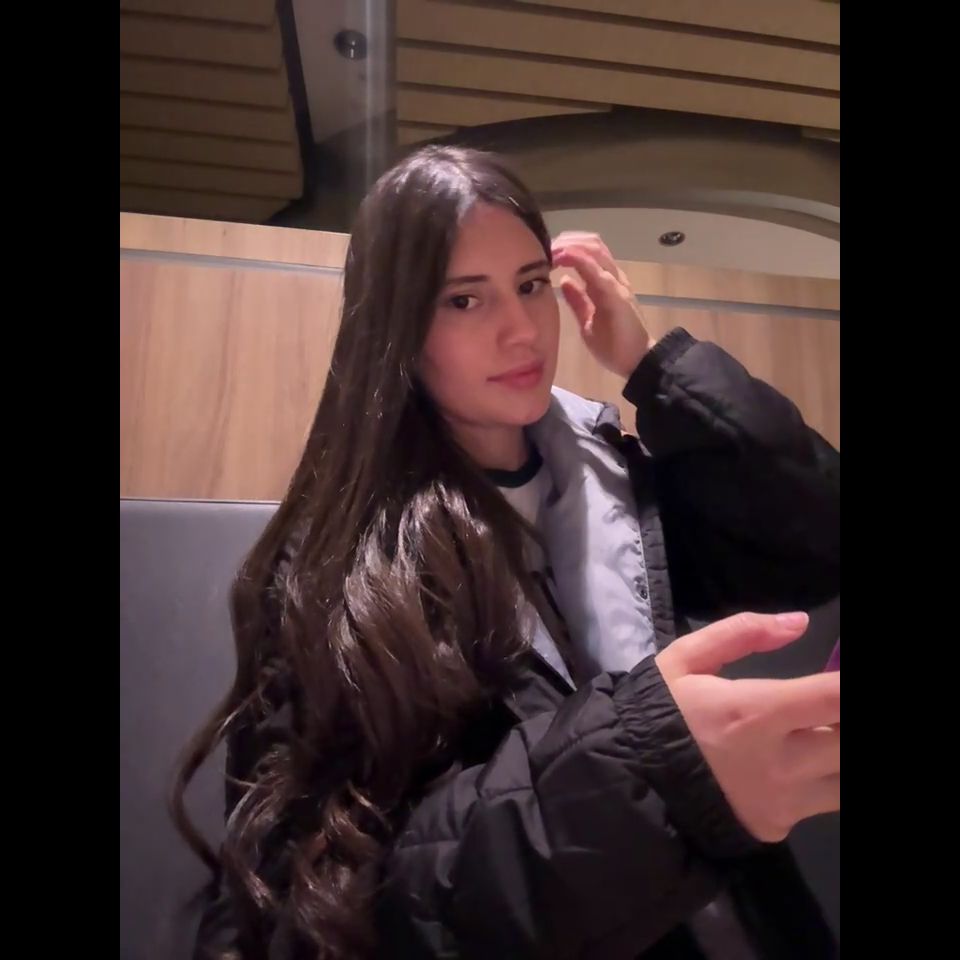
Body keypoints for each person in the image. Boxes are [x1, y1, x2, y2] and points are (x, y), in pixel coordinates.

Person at [173, 145, 840, 960]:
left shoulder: (621, 485)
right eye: (464, 299)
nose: (522, 330)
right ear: (397, 327)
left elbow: (816, 540)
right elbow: (308, 909)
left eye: (531, 285)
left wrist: (656, 369)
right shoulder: (335, 574)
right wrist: (648, 772)